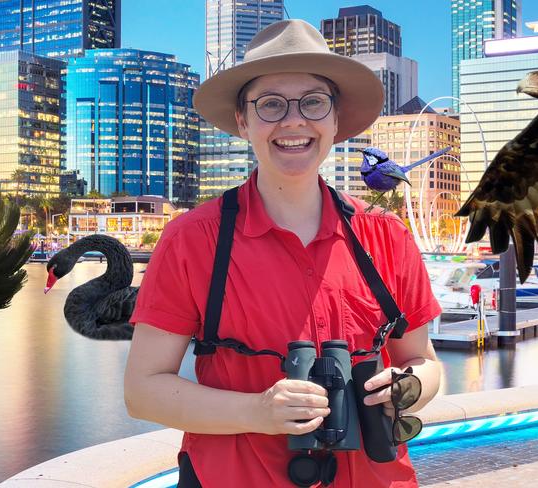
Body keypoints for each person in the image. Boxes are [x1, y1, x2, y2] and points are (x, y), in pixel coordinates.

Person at [125, 19, 442, 487]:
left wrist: (407, 388)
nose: (294, 121)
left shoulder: (387, 236)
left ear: (336, 120)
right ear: (243, 121)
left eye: (313, 102)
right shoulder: (193, 239)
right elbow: (143, 391)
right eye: (270, 105)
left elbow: (425, 362)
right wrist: (259, 411)